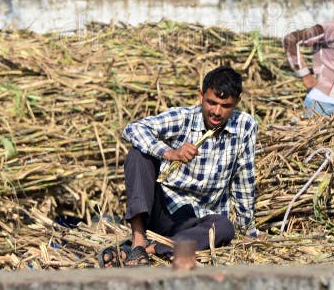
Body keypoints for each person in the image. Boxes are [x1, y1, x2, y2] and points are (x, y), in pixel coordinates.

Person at [99, 66, 257, 267]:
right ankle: (138, 240)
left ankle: (150, 250)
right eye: (211, 103)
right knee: (138, 154)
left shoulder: (245, 126)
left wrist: (249, 233)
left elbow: (244, 181)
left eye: (225, 106)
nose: (217, 112)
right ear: (201, 96)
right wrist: (170, 153)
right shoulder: (183, 118)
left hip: (200, 219)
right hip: (165, 211)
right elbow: (133, 128)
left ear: (237, 102)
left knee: (225, 228)